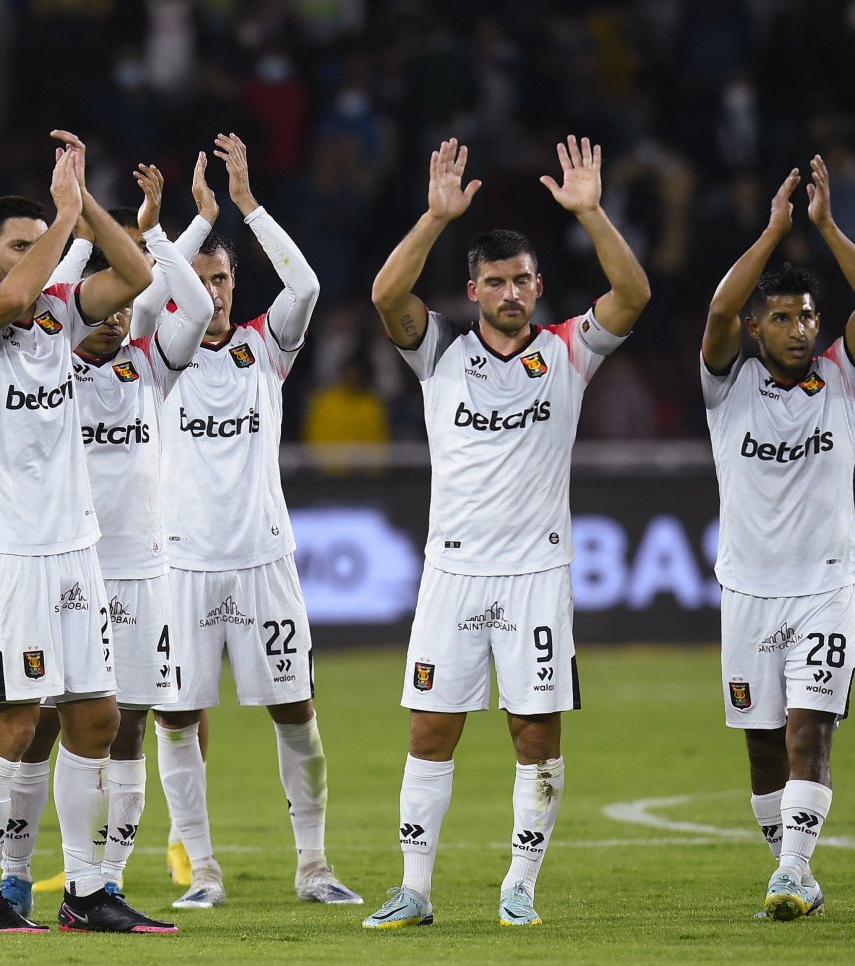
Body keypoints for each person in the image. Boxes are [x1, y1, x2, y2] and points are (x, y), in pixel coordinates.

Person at [362, 136, 649, 930]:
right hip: (452, 573)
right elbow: (387, 295)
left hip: (535, 574)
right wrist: (432, 215)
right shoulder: (440, 354)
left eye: (522, 280)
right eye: (496, 282)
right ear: (474, 289)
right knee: (431, 728)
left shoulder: (567, 354)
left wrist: (591, 213)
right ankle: (415, 889)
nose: (511, 293)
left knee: (534, 732)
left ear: (538, 286)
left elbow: (633, 294)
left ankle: (519, 885)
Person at [0, 134, 170, 934]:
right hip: (5, 553)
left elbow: (140, 277)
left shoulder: (60, 319)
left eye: (40, 245)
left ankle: (88, 890)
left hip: (75, 550)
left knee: (97, 719)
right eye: (19, 247)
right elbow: (6, 303)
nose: (34, 259)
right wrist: (64, 224)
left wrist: (88, 201)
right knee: (13, 720)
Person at [0, 162, 213, 917]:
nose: (120, 316)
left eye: (130, 305)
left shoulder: (149, 368)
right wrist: (84, 234)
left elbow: (193, 300)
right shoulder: (47, 364)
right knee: (41, 727)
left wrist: (151, 232)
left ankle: (105, 882)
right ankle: (15, 872)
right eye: (110, 305)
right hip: (70, 568)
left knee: (127, 731)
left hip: (142, 574)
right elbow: (57, 293)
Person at [153, 132, 361, 910]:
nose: (214, 292)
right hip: (183, 565)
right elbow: (149, 278)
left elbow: (304, 285)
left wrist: (246, 208)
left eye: (224, 279)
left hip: (264, 560)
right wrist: (196, 228)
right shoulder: (157, 355)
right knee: (176, 719)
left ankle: (313, 865)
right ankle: (203, 871)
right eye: (201, 280)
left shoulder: (263, 350)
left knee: (295, 710)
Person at [700, 157, 855, 921]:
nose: (800, 328)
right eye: (781, 317)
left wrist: (828, 229)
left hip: (826, 588)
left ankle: (791, 874)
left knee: (812, 732)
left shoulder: (845, 379)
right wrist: (774, 229)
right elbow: (714, 316)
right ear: (757, 327)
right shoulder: (726, 386)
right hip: (747, 590)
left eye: (808, 316)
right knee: (762, 747)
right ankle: (793, 869)